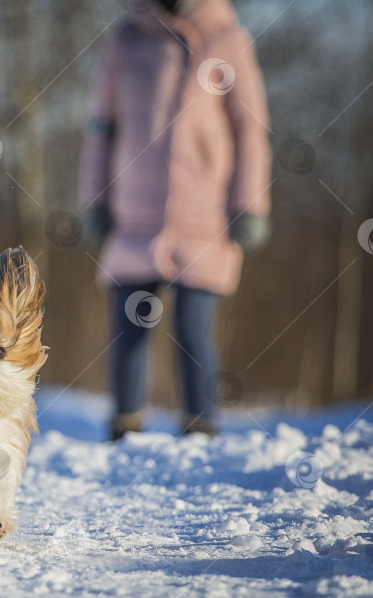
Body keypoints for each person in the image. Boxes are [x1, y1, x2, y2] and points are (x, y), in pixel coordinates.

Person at [78, 0, 272, 440]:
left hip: (206, 215)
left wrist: (252, 203)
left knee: (193, 327)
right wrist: (95, 198)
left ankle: (201, 428)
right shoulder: (126, 38)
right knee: (128, 327)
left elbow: (250, 127)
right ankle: (124, 427)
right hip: (133, 213)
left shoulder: (227, 38)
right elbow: (100, 125)